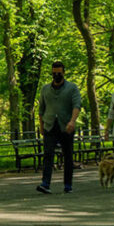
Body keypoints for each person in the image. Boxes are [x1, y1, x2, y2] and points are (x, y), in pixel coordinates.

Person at [35, 61, 83, 194]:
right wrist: (41, 126)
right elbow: (41, 109)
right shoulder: (45, 89)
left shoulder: (72, 88)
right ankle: (45, 183)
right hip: (50, 126)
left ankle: (68, 185)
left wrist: (72, 121)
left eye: (59, 73)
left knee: (68, 155)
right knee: (48, 154)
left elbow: (77, 105)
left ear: (63, 73)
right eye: (54, 73)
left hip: (66, 126)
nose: (56, 75)